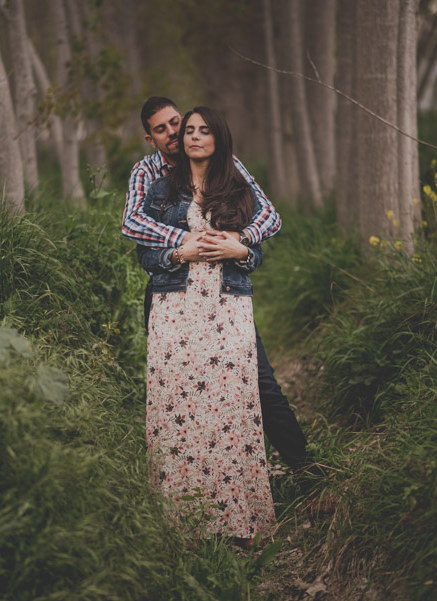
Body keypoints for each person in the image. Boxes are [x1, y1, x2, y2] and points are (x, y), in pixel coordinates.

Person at [123, 97, 318, 485]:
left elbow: (268, 215)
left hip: (224, 300)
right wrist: (184, 243)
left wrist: (241, 242)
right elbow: (132, 225)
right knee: (179, 392)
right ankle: (191, 490)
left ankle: (306, 470)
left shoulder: (226, 167)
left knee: (257, 380)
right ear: (150, 138)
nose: (175, 133)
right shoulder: (148, 174)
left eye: (177, 122)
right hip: (171, 295)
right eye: (162, 129)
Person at [136, 106, 273, 540]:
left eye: (202, 130)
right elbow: (142, 252)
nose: (192, 137)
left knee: (231, 406)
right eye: (187, 130)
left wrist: (242, 250)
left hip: (227, 308)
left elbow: (259, 248)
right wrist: (179, 253)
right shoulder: (159, 188)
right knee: (177, 407)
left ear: (218, 138)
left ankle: (236, 520)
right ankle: (183, 524)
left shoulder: (236, 185)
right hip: (175, 310)